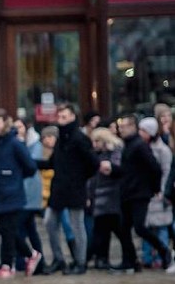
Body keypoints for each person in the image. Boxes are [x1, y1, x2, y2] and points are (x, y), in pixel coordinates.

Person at [37, 104, 99, 275]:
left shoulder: (79, 139)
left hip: (74, 188)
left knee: (76, 225)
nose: (60, 120)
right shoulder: (61, 139)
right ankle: (59, 259)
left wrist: (79, 178)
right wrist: (33, 164)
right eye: (60, 117)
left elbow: (93, 164)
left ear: (73, 116)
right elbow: (53, 163)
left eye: (64, 117)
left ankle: (80, 262)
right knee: (50, 222)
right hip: (59, 188)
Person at [108, 115, 173, 274]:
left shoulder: (139, 146)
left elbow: (155, 168)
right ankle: (130, 261)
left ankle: (164, 251)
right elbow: (127, 170)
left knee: (139, 227)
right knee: (124, 228)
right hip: (129, 192)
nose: (121, 129)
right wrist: (113, 170)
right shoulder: (130, 145)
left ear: (132, 127)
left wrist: (155, 188)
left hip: (138, 194)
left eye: (124, 126)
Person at [0, 109, 40, 278]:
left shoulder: (14, 143)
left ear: (6, 123)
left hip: (12, 193)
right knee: (6, 231)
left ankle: (7, 265)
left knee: (9, 231)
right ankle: (30, 255)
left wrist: (14, 177)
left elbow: (30, 167)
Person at [87, 127, 129, 270]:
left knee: (116, 229)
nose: (95, 144)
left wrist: (110, 168)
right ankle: (101, 258)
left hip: (112, 196)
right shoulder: (96, 155)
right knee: (101, 230)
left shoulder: (116, 152)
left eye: (97, 141)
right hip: (99, 196)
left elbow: (121, 170)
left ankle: (126, 258)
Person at [13, 118, 45, 274]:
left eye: (20, 126)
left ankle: (29, 258)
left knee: (19, 227)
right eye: (15, 127)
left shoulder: (34, 144)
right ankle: (36, 262)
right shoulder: (16, 143)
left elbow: (30, 165)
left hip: (30, 192)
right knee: (29, 228)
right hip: (20, 192)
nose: (18, 129)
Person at [141, 117, 172, 269]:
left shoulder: (163, 150)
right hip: (147, 192)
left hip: (158, 193)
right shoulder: (143, 148)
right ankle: (147, 257)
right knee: (146, 226)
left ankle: (162, 256)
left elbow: (167, 172)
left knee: (161, 226)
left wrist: (163, 190)